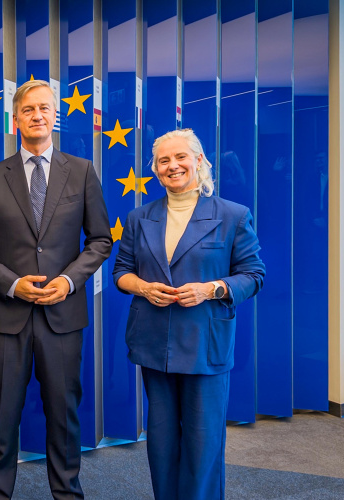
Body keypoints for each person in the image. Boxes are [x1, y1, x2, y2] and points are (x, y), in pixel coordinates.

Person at [0, 79, 112, 499]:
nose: (38, 116)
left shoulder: (82, 171)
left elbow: (100, 239)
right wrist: (12, 284)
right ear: (16, 119)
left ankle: (67, 494)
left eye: (45, 109)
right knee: (2, 418)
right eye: (29, 109)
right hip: (6, 318)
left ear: (55, 118)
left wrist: (67, 280)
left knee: (64, 416)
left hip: (62, 318)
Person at [112, 129, 265, 500]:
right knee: (161, 443)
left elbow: (253, 275)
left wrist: (211, 289)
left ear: (198, 161)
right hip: (153, 345)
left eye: (180, 157)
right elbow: (121, 272)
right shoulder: (139, 217)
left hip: (204, 346)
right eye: (163, 161)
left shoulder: (232, 215)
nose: (172, 166)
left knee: (203, 442)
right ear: (155, 170)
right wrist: (144, 287)